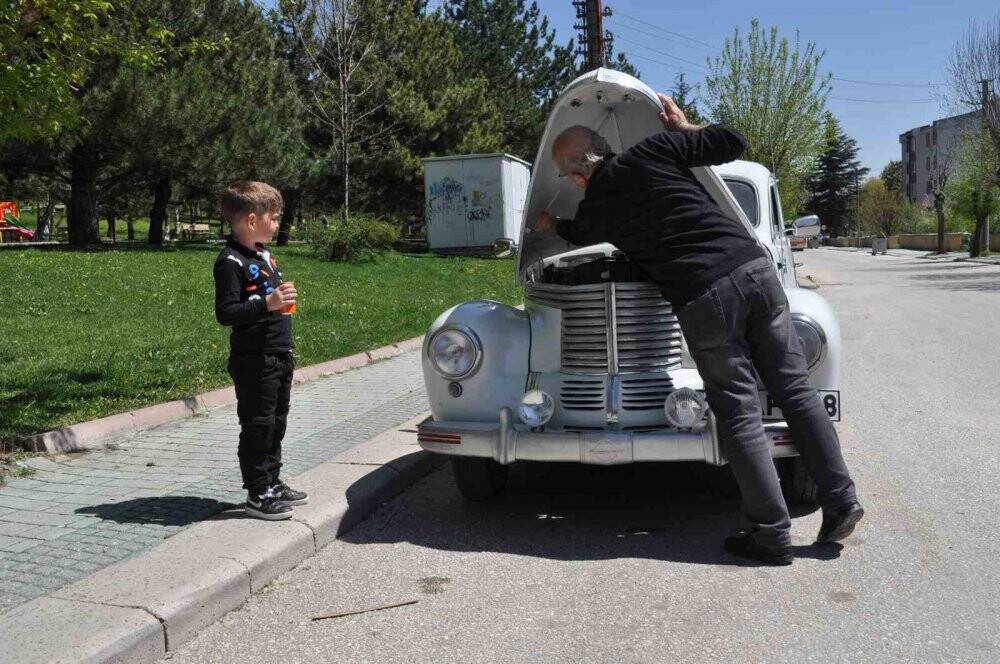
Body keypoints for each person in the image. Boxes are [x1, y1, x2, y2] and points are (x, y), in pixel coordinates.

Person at [534, 95, 864, 565]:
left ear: (579, 174)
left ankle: (770, 533)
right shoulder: (651, 151)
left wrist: (550, 223)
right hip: (755, 270)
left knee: (738, 411)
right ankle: (842, 499)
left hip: (706, 295)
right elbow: (734, 141)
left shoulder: (595, 210)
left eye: (568, 175)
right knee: (795, 389)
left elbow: (578, 236)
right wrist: (685, 127)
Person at [214, 181, 308, 520]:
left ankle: (273, 480)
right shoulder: (231, 262)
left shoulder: (265, 256)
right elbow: (226, 313)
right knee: (258, 423)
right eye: (275, 217)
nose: (279, 223)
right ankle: (257, 491)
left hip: (279, 351)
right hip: (254, 357)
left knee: (277, 420)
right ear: (252, 220)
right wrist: (268, 304)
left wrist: (280, 303)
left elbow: (269, 302)